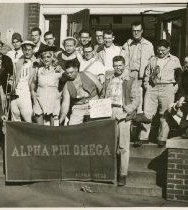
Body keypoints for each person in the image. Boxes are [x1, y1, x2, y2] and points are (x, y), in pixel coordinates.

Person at [103, 56, 140, 186]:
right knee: (110, 144)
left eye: (120, 65)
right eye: (115, 65)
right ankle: (110, 173)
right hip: (110, 113)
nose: (118, 68)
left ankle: (122, 174)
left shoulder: (130, 80)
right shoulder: (109, 79)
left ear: (124, 65)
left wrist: (127, 111)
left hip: (123, 113)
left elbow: (136, 99)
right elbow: (104, 96)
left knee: (123, 146)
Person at [138, 39, 182, 147]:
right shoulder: (153, 59)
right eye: (159, 50)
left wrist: (176, 86)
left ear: (168, 49)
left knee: (165, 113)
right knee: (147, 113)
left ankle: (162, 138)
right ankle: (143, 137)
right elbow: (147, 73)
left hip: (167, 87)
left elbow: (180, 75)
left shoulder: (174, 60)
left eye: (163, 50)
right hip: (153, 87)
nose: (160, 52)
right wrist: (146, 84)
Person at [123, 21, 154, 113]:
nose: (136, 33)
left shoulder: (148, 45)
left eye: (138, 30)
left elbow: (152, 62)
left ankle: (140, 119)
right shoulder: (127, 44)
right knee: (129, 99)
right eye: (134, 30)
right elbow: (124, 60)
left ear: (142, 31)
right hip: (130, 75)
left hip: (143, 76)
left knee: (142, 99)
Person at [59, 59, 103, 125]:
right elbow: (65, 104)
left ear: (76, 69)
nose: (69, 75)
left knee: (98, 125)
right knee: (72, 126)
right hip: (78, 107)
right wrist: (60, 121)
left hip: (93, 103)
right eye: (67, 73)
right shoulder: (67, 85)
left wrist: (100, 103)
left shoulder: (87, 74)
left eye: (71, 72)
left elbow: (100, 88)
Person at [31, 46, 63, 125]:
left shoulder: (58, 70)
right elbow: (33, 83)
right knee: (40, 128)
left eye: (48, 57)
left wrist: (60, 94)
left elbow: (68, 81)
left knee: (54, 128)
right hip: (40, 98)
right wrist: (33, 93)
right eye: (44, 57)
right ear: (41, 59)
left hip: (53, 100)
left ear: (52, 57)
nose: (46, 59)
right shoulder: (39, 70)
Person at [10, 41, 37, 122]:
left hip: (27, 92)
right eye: (25, 50)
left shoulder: (36, 62)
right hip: (16, 91)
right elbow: (15, 76)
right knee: (15, 115)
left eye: (29, 50)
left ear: (33, 50)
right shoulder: (18, 61)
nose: (27, 52)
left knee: (27, 115)